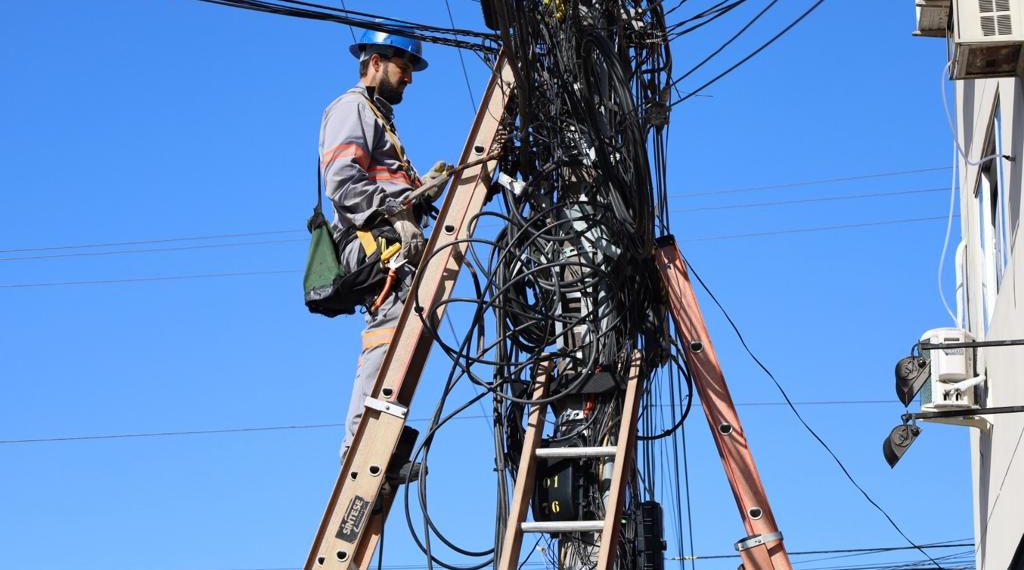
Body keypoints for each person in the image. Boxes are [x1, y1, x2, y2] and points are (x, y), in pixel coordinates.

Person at [319, 30, 452, 458]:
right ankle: (360, 441)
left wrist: (420, 192)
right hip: (372, 241)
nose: (409, 78)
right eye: (404, 67)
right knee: (388, 330)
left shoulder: (378, 118)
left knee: (406, 329)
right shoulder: (352, 108)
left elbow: (383, 183)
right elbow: (341, 181)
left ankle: (383, 430)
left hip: (391, 235)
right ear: (375, 62)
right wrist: (394, 215)